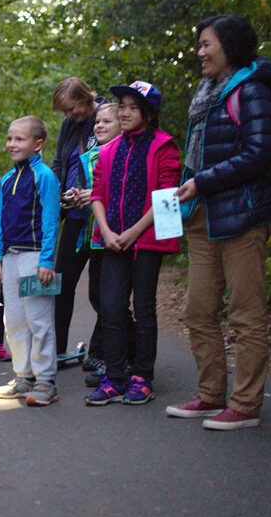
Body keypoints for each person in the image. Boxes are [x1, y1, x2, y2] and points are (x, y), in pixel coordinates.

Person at [169, 15, 271, 430]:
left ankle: (246, 404)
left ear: (228, 46)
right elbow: (199, 156)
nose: (199, 52)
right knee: (198, 310)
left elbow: (259, 154)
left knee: (245, 313)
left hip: (242, 216)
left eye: (205, 44)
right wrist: (189, 185)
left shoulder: (251, 90)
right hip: (203, 217)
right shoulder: (206, 93)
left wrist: (202, 181)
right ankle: (211, 394)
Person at [84, 82, 180, 407]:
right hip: (112, 241)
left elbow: (167, 195)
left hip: (146, 242)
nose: (124, 112)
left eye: (132, 107)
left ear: (149, 114)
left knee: (144, 308)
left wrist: (134, 232)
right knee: (110, 308)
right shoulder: (109, 150)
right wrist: (108, 231)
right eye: (121, 105)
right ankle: (114, 376)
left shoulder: (163, 146)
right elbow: (97, 193)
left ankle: (143, 377)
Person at [0, 116, 61, 406]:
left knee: (39, 320)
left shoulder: (44, 176)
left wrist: (47, 260)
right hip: (10, 257)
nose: (11, 144)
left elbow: (51, 220)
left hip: (35, 258)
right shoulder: (6, 180)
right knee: (15, 320)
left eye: (19, 139)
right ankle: (24, 376)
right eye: (9, 138)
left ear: (37, 145)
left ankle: (45, 381)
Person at [66, 102, 134, 387]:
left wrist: (92, 195)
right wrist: (77, 196)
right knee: (99, 297)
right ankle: (107, 353)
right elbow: (96, 191)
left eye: (107, 121)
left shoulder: (127, 152)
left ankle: (122, 357)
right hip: (96, 237)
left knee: (113, 301)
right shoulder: (94, 155)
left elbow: (124, 190)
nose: (99, 126)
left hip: (121, 237)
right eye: (98, 122)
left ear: (122, 124)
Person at [50, 78, 105, 361]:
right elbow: (60, 162)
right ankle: (56, 350)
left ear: (85, 98)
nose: (70, 116)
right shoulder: (68, 126)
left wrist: (93, 193)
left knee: (101, 289)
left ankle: (100, 352)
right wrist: (57, 195)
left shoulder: (106, 117)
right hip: (73, 214)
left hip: (101, 218)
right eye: (65, 112)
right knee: (61, 284)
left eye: (72, 109)